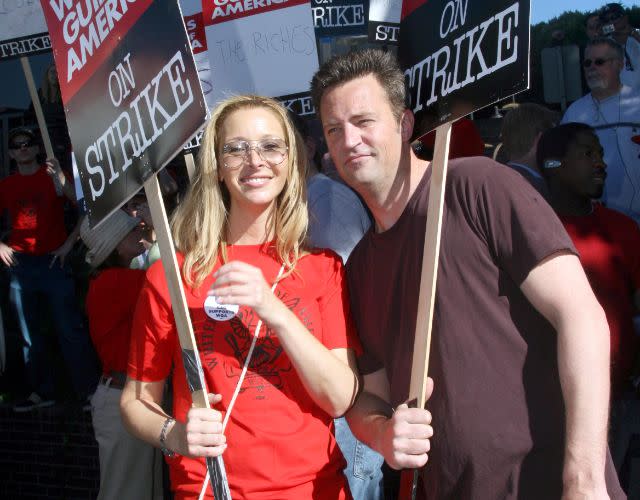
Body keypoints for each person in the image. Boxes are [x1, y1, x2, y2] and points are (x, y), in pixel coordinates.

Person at [310, 48, 624, 499]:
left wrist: (584, 475)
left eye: (364, 121)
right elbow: (370, 398)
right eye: (334, 129)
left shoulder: (477, 185)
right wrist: (382, 434)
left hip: (547, 484)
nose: (349, 140)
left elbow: (582, 317)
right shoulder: (358, 267)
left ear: (404, 125)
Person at [120, 95, 361, 499]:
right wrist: (174, 434)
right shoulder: (173, 276)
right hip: (211, 490)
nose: (255, 160)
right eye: (236, 148)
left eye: (270, 146)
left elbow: (339, 398)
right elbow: (134, 401)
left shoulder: (323, 269)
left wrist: (273, 309)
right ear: (216, 167)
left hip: (314, 488)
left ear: (291, 160)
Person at [538, 122, 640, 494]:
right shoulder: (527, 231)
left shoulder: (623, 229)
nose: (601, 163)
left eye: (600, 154)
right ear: (553, 164)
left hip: (622, 400)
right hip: (550, 404)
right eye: (587, 153)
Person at [290, 112, 382, 499]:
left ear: (309, 147)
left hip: (346, 391)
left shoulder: (325, 200)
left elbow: (334, 303)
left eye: (279, 144)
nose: (263, 159)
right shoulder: (298, 201)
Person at [0, 127, 97, 411]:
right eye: (17, 145)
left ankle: (88, 391)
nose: (23, 148)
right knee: (30, 335)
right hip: (21, 265)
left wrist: (69, 245)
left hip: (54, 261)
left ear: (36, 148)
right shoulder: (6, 185)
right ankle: (42, 392)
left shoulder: (52, 176)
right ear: (10, 153)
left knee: (69, 329)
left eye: (28, 143)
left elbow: (85, 207)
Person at [80, 209, 163, 500]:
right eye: (132, 231)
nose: (140, 231)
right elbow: (170, 280)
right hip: (122, 398)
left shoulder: (114, 279)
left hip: (124, 394)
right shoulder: (116, 281)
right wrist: (160, 233)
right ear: (115, 244)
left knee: (138, 491)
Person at [562, 37, 640, 225]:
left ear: (620, 65)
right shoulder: (574, 113)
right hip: (602, 224)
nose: (591, 68)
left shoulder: (637, 104)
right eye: (587, 63)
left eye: (599, 62)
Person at [500, 102, 559, 200]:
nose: (558, 146)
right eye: (555, 138)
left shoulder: (492, 182)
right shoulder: (543, 191)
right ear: (542, 140)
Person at [598, 2, 640, 89]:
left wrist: (633, 33)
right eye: (606, 20)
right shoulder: (604, 43)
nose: (611, 22)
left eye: (614, 17)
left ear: (625, 18)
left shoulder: (637, 34)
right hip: (620, 98)